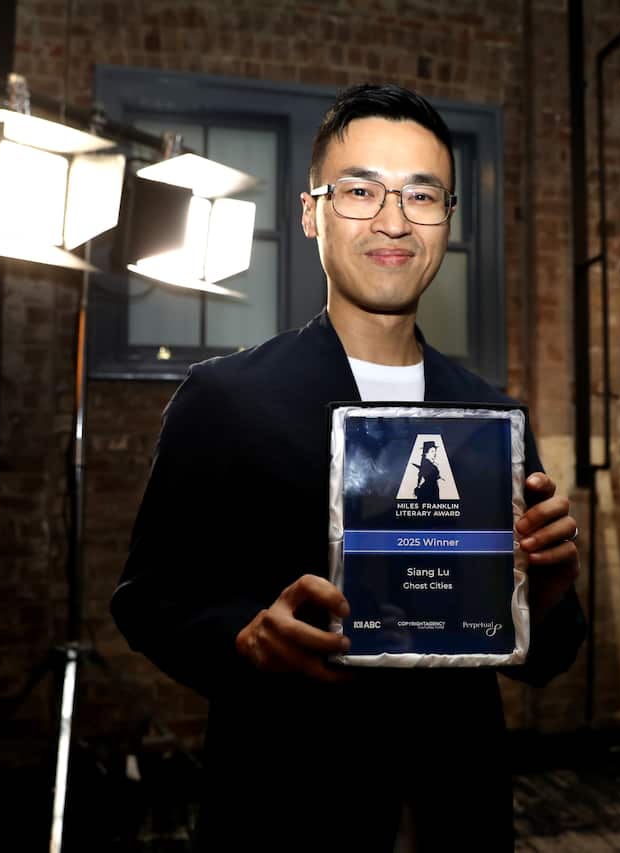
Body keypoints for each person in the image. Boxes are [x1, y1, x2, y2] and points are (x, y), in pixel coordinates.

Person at [112, 83, 585, 851]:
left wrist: (549, 596)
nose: (393, 219)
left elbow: (545, 657)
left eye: (421, 195)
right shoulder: (225, 398)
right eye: (361, 189)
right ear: (312, 213)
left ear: (447, 220)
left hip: (455, 807)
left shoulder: (493, 420)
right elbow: (147, 599)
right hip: (287, 803)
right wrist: (243, 638)